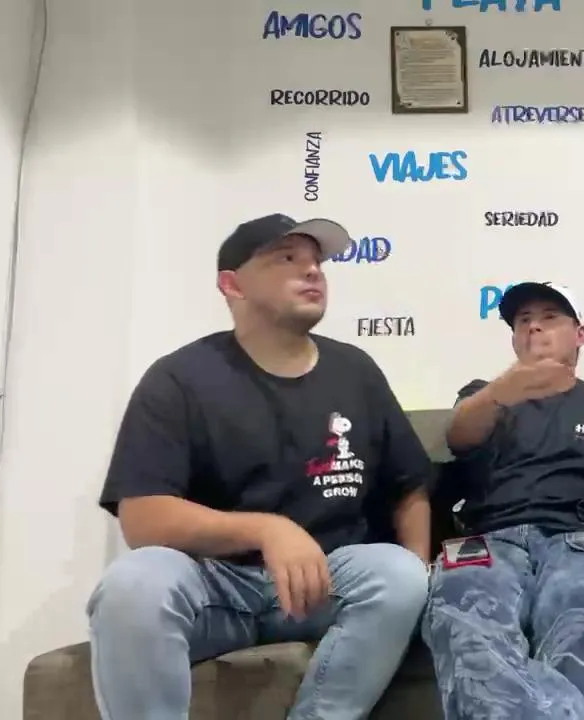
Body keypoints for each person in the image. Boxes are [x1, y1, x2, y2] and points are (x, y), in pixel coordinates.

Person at [87, 214, 432, 720]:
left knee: (399, 575)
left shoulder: (355, 370)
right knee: (132, 586)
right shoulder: (179, 378)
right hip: (214, 585)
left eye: (316, 262)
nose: (312, 271)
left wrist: (421, 578)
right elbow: (142, 518)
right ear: (232, 285)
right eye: (286, 259)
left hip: (325, 584)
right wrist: (266, 529)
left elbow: (409, 485)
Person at [424, 281, 584, 719]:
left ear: (580, 335)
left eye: (549, 317)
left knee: (580, 625)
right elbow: (459, 435)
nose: (534, 327)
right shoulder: (485, 394)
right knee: (463, 619)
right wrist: (500, 391)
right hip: (485, 541)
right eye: (523, 320)